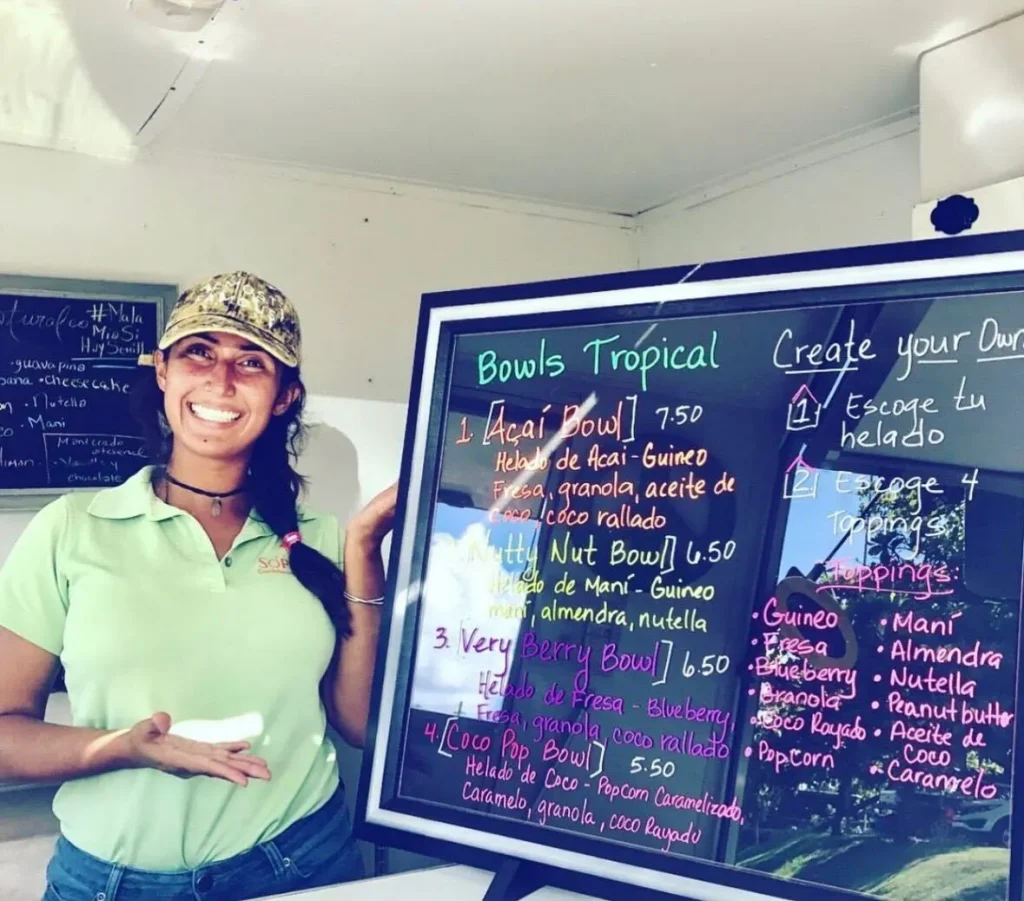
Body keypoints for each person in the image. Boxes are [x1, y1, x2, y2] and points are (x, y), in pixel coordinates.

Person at [0, 272, 397, 901]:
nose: (221, 380)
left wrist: (365, 549)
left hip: (300, 864)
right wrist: (126, 748)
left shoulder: (321, 539)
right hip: (110, 884)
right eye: (199, 352)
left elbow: (359, 724)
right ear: (163, 372)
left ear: (285, 396)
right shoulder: (71, 528)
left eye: (251, 362)